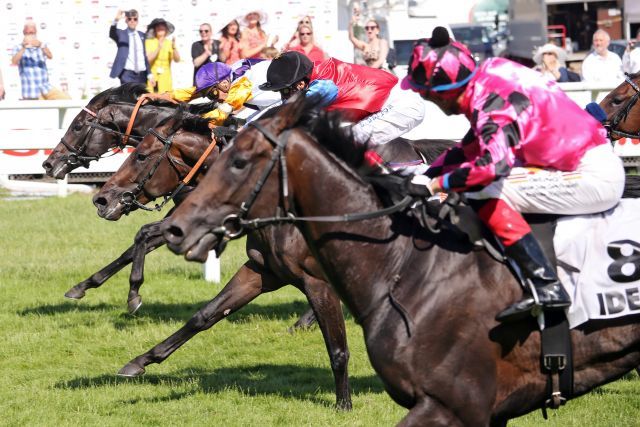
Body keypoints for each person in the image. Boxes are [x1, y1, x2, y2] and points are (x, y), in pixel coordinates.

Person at [401, 27, 625, 322]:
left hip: (593, 174)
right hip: (582, 160)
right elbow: (471, 146)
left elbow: (490, 168)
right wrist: (426, 171)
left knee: (485, 188)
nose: (430, 103)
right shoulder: (490, 73)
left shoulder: (490, 105)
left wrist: (434, 184)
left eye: (428, 96)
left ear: (444, 93)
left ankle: (546, 286)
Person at [260, 51, 425, 150]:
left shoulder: (324, 86)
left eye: (284, 91)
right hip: (386, 106)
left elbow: (287, 111)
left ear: (300, 84)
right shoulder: (311, 77)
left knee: (348, 141)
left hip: (401, 106)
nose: (283, 97)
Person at [149, 60, 279, 126]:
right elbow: (192, 93)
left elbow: (221, 113)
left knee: (246, 132)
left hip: (288, 102)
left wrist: (188, 124)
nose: (213, 100)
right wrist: (157, 97)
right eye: (209, 96)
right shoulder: (227, 76)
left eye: (213, 94)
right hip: (274, 103)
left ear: (224, 84)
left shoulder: (241, 83)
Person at [11, 20, 69, 100]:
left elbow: (50, 56)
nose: (31, 35)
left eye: (33, 33)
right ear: (24, 33)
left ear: (36, 32)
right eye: (28, 33)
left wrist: (41, 45)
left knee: (66, 99)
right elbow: (14, 61)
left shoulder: (41, 45)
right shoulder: (18, 47)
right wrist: (24, 47)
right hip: (31, 91)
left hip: (46, 88)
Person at [109, 9, 154, 86]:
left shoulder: (142, 35)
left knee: (142, 97)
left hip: (142, 75)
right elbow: (112, 33)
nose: (132, 21)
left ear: (137, 21)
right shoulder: (121, 34)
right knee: (128, 97)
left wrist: (149, 74)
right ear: (126, 20)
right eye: (129, 19)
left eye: (135, 19)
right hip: (127, 74)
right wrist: (116, 20)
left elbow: (144, 56)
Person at [145, 18, 181, 93]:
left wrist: (174, 47)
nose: (160, 28)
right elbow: (148, 60)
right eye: (158, 26)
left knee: (165, 101)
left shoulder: (169, 43)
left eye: (162, 26)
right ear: (154, 29)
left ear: (166, 29)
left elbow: (177, 60)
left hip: (166, 79)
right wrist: (159, 47)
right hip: (153, 78)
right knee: (152, 101)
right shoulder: (149, 42)